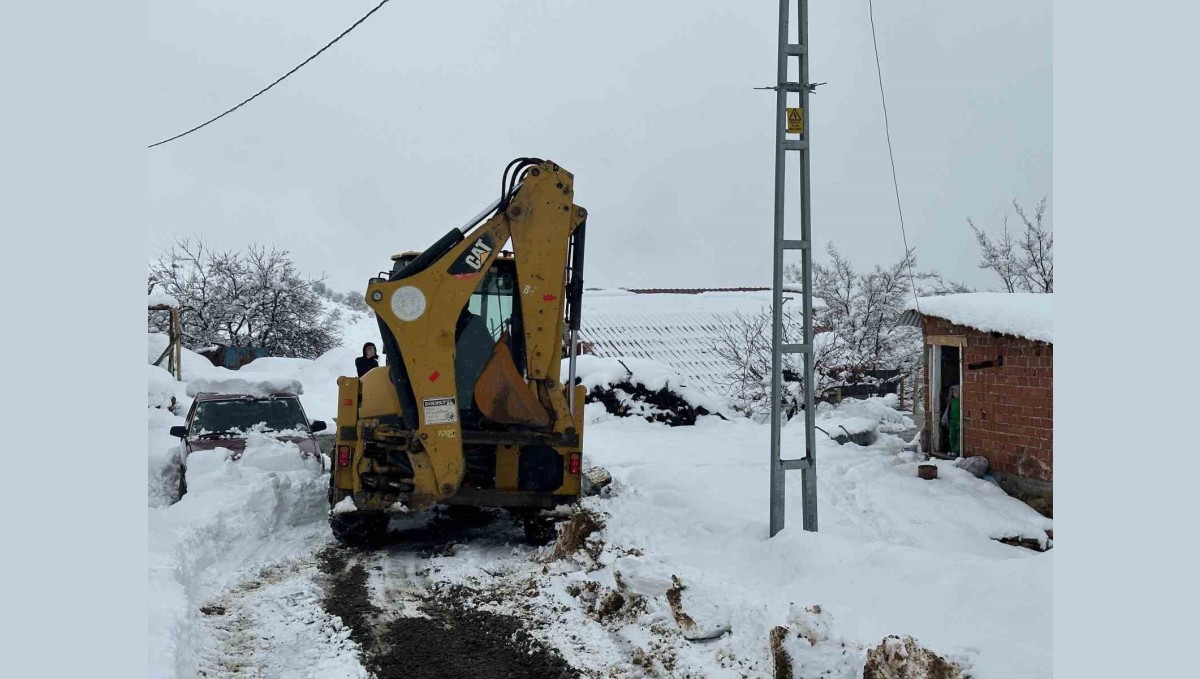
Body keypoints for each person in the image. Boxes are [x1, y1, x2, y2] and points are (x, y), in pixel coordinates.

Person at [940, 384, 961, 458]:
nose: (955, 394)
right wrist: (945, 420)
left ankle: (959, 450)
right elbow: (947, 411)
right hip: (952, 421)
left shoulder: (961, 401)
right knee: (952, 436)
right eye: (953, 393)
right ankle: (953, 450)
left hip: (959, 420)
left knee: (959, 436)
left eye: (956, 392)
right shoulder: (952, 401)